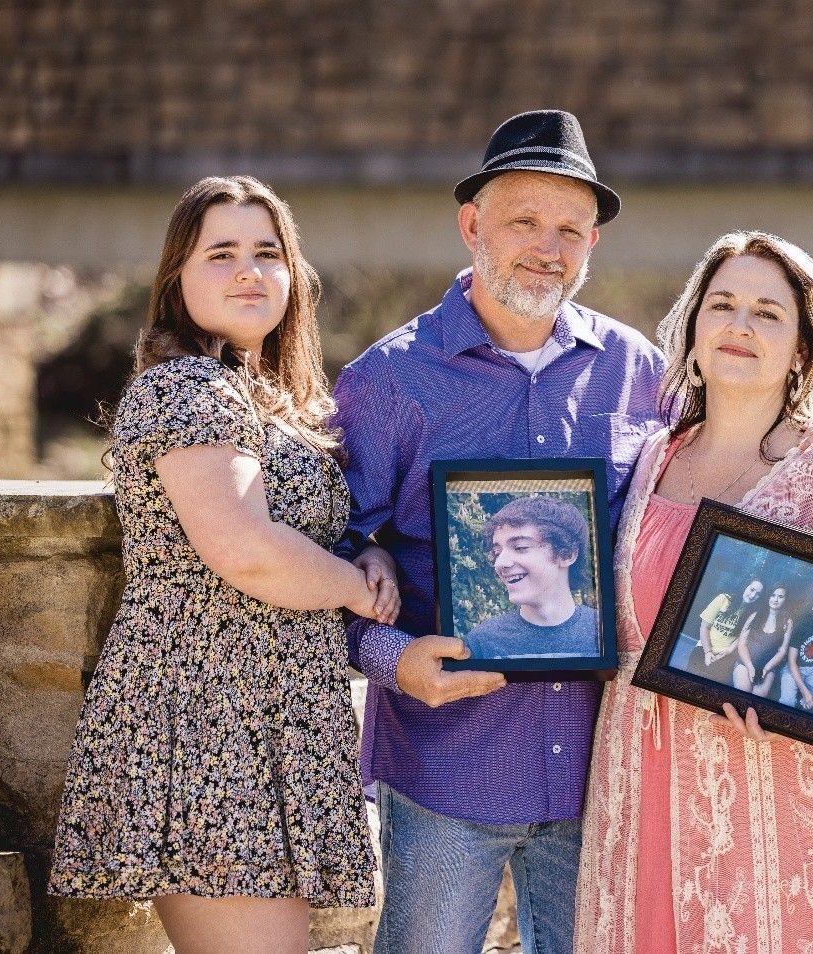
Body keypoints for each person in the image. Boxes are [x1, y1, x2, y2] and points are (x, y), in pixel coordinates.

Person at [333, 111, 666, 954]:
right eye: (524, 221)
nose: (547, 249)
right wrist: (390, 660)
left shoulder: (640, 373)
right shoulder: (388, 380)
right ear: (472, 225)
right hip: (450, 766)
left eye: (571, 230)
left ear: (593, 244)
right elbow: (321, 552)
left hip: (602, 774)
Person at [49, 176, 393, 953]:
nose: (248, 270)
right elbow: (247, 550)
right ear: (177, 279)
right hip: (207, 721)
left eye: (267, 253)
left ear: (292, 277)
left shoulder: (265, 395)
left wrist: (360, 548)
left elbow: (295, 524)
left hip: (265, 719)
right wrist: (357, 589)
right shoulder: (185, 391)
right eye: (223, 253)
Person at [576, 231, 813, 953]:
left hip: (784, 790)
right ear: (693, 327)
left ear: (801, 350)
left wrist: (799, 702)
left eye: (768, 313)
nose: (740, 325)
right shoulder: (648, 459)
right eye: (723, 305)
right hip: (643, 783)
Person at [463, 495, 599, 660]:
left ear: (567, 554)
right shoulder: (481, 643)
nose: (499, 563)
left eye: (520, 547)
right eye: (497, 552)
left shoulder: (604, 632)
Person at [685, 577, 762, 683]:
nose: (753, 595)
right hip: (704, 647)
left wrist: (728, 651)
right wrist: (708, 652)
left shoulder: (752, 613)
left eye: (758, 594)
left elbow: (741, 637)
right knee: (689, 679)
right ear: (746, 586)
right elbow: (704, 627)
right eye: (752, 589)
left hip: (725, 654)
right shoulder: (723, 599)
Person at [734, 584, 793, 695]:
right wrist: (750, 666)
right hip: (745, 663)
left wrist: (766, 669)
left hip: (768, 668)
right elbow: (741, 644)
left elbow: (782, 651)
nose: (775, 599)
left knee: (757, 698)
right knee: (743, 692)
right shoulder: (755, 615)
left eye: (780, 597)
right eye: (773, 595)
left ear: (785, 600)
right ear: (768, 597)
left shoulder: (787, 622)